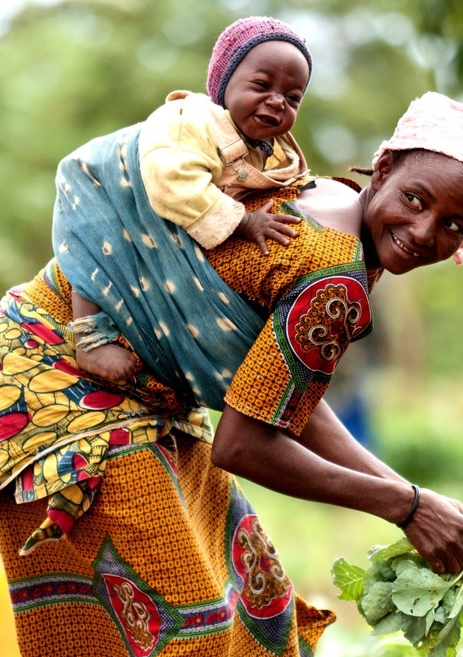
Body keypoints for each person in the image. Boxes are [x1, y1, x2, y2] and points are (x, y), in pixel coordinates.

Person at [0, 91, 463, 657]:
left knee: (260, 606)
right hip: (67, 368)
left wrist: (408, 493)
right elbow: (243, 444)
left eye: (451, 224)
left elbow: (284, 400)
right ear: (383, 169)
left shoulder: (331, 199)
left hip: (145, 388)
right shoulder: (334, 275)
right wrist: (405, 507)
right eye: (415, 200)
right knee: (191, 629)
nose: (422, 231)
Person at [69, 16, 314, 385]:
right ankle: (88, 340)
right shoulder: (191, 120)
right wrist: (245, 222)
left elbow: (284, 182)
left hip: (168, 214)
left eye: (293, 98)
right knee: (97, 252)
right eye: (262, 85)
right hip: (106, 191)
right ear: (224, 81)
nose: (277, 101)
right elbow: (172, 181)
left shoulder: (271, 150)